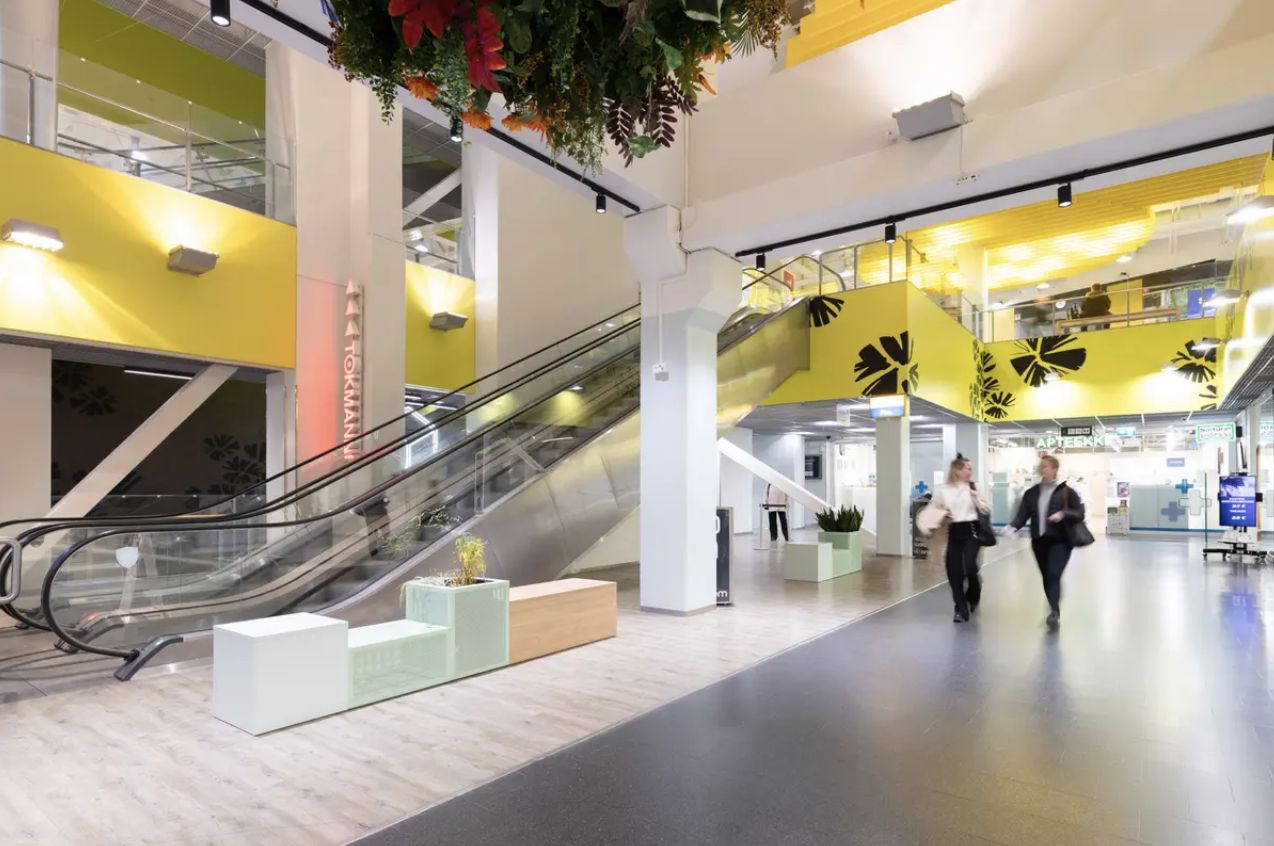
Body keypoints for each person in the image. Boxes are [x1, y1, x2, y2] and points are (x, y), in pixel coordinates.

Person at [1003, 454, 1086, 630]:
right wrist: (1012, 527)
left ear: (1055, 469)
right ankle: (1053, 605)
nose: (1042, 469)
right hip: (1039, 542)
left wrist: (1063, 514)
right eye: (1040, 466)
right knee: (1047, 576)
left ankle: (1054, 611)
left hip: (1061, 541)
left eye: (1045, 466)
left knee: (1053, 574)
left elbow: (1079, 513)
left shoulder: (1067, 492)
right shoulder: (1031, 493)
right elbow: (1023, 515)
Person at [927, 455, 991, 623]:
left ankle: (975, 590)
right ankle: (960, 609)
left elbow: (987, 509)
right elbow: (934, 509)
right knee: (954, 572)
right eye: (968, 468)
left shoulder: (975, 487)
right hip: (954, 531)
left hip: (972, 531)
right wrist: (943, 514)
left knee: (970, 567)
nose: (970, 472)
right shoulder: (943, 490)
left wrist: (976, 500)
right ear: (957, 470)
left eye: (971, 469)